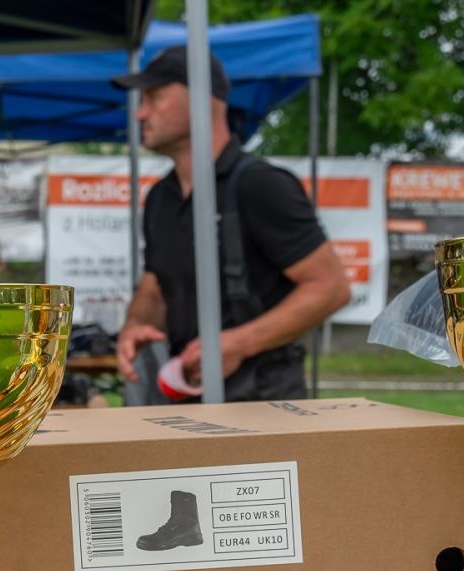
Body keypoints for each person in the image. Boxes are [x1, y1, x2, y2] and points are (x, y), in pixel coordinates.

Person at [111, 47, 349, 401]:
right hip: (189, 401)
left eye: (154, 97)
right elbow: (154, 287)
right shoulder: (161, 197)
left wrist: (240, 342)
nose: (140, 113)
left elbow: (331, 287)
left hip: (266, 404)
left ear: (204, 100)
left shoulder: (261, 185)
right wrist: (135, 326)